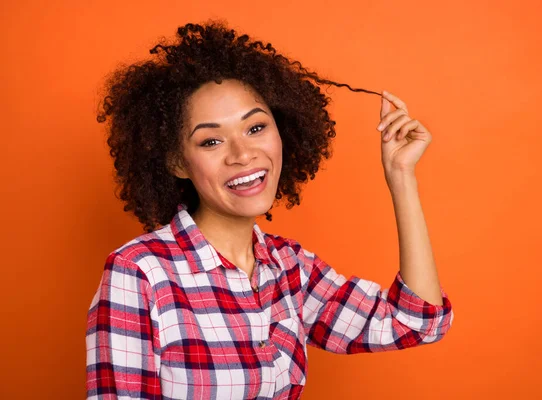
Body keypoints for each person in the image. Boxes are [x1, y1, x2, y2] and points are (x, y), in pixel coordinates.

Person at [85, 21, 454, 400]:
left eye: (256, 128)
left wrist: (401, 175)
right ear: (178, 163)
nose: (243, 155)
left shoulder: (289, 268)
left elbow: (416, 322)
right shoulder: (139, 274)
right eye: (211, 140)